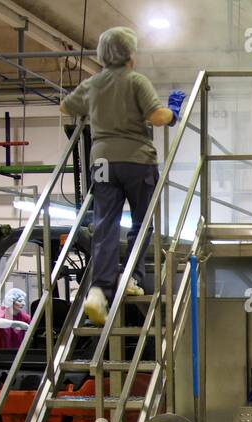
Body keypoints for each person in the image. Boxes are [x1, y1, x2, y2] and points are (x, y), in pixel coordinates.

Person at [59, 27, 186, 327]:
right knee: (142, 224)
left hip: (101, 160)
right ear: (129, 54)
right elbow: (157, 117)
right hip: (136, 160)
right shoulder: (135, 81)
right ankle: (131, 278)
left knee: (104, 224)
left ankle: (99, 291)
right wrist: (174, 111)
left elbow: (65, 106)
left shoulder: (93, 84)